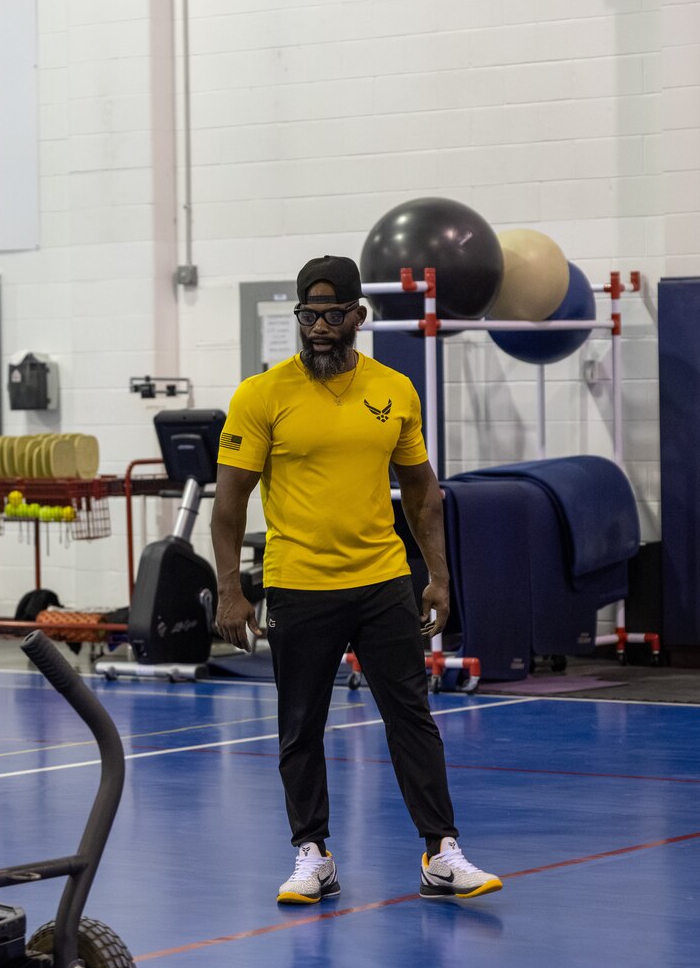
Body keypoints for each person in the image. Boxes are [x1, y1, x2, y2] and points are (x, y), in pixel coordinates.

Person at [212, 255, 502, 906]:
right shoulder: (261, 395)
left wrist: (437, 575)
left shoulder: (394, 389)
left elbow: (424, 493)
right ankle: (311, 854)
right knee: (300, 725)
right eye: (308, 315)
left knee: (412, 718)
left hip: (381, 581)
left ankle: (441, 852)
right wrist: (231, 587)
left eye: (333, 314)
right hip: (299, 582)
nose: (319, 327)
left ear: (358, 318)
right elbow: (228, 501)